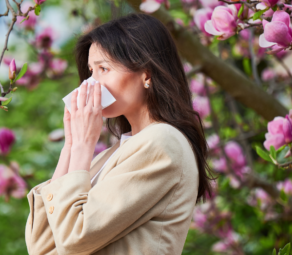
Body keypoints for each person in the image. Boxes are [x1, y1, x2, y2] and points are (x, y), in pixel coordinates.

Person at [25, 13, 215, 255]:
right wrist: (71, 145)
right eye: (91, 71)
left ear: (146, 74)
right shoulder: (116, 153)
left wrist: (83, 145)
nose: (91, 83)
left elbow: (75, 239)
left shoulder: (162, 143)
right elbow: (40, 246)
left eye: (104, 68)